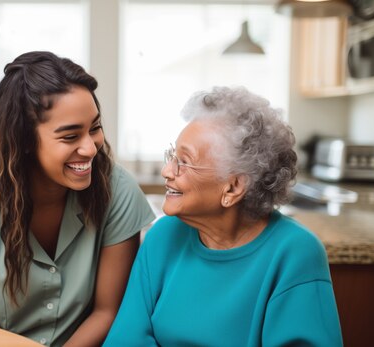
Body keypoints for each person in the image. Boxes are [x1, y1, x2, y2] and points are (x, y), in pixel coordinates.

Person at [0, 51, 155, 347]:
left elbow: (107, 312)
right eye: (70, 136)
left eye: (94, 128)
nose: (90, 148)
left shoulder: (118, 189)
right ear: (22, 141)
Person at [104, 86, 343, 346]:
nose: (166, 170)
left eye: (184, 161)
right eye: (172, 155)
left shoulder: (294, 253)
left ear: (233, 187)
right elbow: (125, 338)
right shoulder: (163, 236)